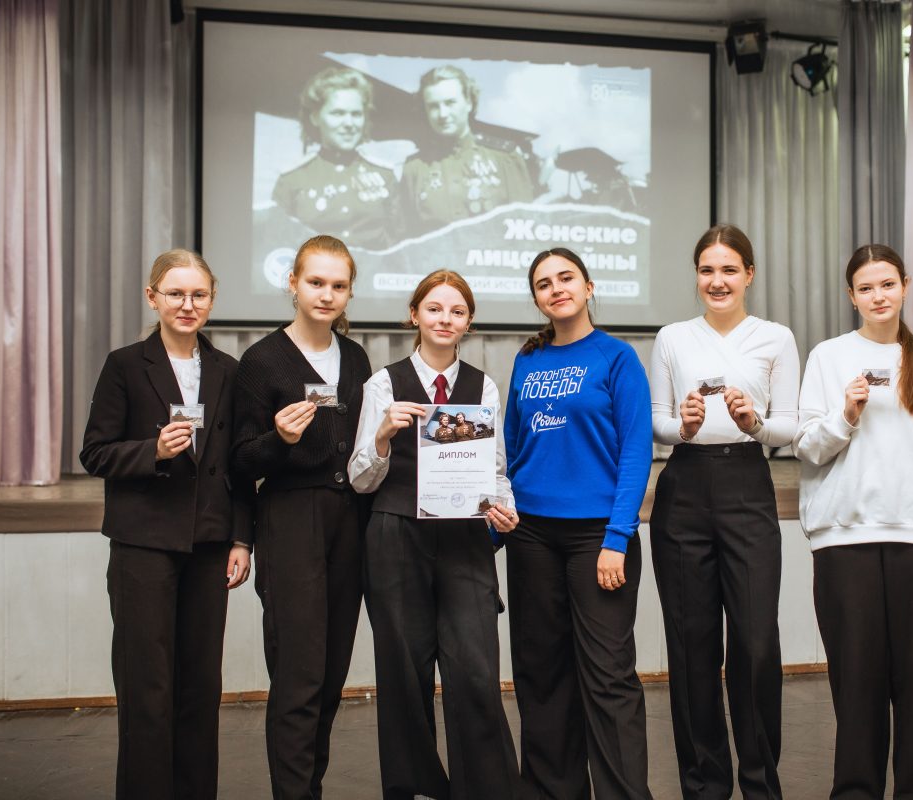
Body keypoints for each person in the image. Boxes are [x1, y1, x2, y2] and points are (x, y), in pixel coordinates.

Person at [794, 244, 913, 800]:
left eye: (887, 284)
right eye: (866, 288)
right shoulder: (828, 356)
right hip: (844, 541)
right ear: (851, 296)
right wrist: (845, 414)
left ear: (905, 286)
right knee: (857, 687)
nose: (878, 296)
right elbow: (808, 448)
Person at [80, 249, 252, 799]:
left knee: (201, 688)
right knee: (146, 691)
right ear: (152, 297)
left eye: (198, 295)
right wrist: (151, 450)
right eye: (175, 294)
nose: (187, 305)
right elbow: (95, 453)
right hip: (143, 545)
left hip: (209, 546)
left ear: (212, 300)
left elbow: (241, 465)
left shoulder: (228, 370)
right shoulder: (125, 365)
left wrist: (242, 538)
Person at [348, 269, 523, 800]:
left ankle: (487, 790)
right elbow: (360, 478)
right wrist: (381, 434)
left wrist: (504, 507)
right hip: (396, 533)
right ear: (414, 315)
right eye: (435, 308)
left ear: (468, 322)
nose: (445, 319)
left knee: (475, 670)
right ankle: (415, 787)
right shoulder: (383, 382)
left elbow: (495, 471)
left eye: (457, 311)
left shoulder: (482, 385)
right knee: (402, 672)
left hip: (466, 540)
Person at [648, 224, 798, 799]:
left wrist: (754, 422)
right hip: (683, 489)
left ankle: (761, 784)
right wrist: (681, 426)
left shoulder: (775, 337)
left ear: (749, 275)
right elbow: (657, 419)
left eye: (729, 270)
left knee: (757, 646)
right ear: (697, 276)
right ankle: (704, 786)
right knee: (691, 649)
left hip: (747, 484)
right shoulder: (671, 337)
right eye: (707, 270)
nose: (717, 281)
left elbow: (790, 424)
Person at [504, 247, 654, 799]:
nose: (556, 288)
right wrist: (502, 520)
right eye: (543, 283)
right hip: (532, 537)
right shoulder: (527, 361)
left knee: (609, 679)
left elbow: (636, 452)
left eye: (566, 278)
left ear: (589, 287)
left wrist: (618, 538)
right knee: (541, 677)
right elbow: (513, 448)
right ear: (537, 298)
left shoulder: (617, 358)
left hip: (598, 537)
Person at [231, 235, 372, 800]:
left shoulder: (357, 358)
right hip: (290, 519)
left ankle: (307, 786)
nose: (326, 294)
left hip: (351, 522)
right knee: (298, 674)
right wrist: (278, 440)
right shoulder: (262, 361)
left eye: (338, 286)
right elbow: (239, 460)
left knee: (333, 672)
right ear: (293, 283)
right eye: (316, 282)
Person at [271, 67, 398, 250]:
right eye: (338, 113)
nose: (349, 124)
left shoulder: (385, 175)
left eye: (356, 114)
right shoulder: (291, 180)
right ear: (315, 117)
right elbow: (277, 249)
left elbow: (400, 247)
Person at [400, 65, 534, 234]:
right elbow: (405, 240)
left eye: (450, 103)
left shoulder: (504, 158)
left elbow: (525, 230)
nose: (443, 114)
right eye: (433, 106)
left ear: (469, 102)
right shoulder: (415, 169)